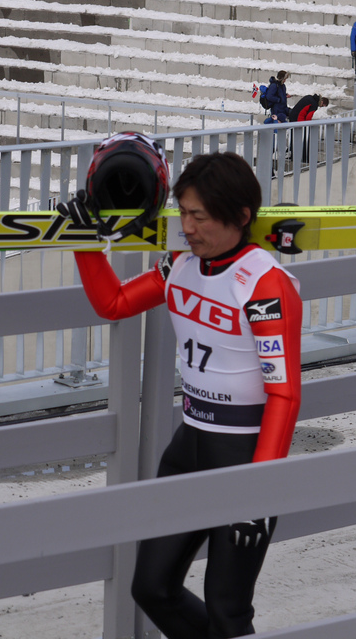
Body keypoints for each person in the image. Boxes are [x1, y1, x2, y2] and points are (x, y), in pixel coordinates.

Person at [57, 134, 302, 639]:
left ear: (240, 215)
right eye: (183, 213)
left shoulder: (264, 284)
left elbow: (284, 394)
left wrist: (259, 490)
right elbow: (114, 305)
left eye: (200, 218)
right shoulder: (179, 265)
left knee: (228, 613)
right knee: (151, 588)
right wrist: (85, 246)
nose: (186, 228)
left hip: (243, 456)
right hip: (188, 445)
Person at [287, 94, 329, 163]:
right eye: (322, 106)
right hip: (298, 120)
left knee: (294, 137)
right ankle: (304, 158)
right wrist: (307, 126)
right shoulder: (314, 104)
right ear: (321, 102)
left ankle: (293, 155)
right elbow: (308, 117)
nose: (320, 107)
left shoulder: (310, 97)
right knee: (304, 138)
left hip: (293, 117)